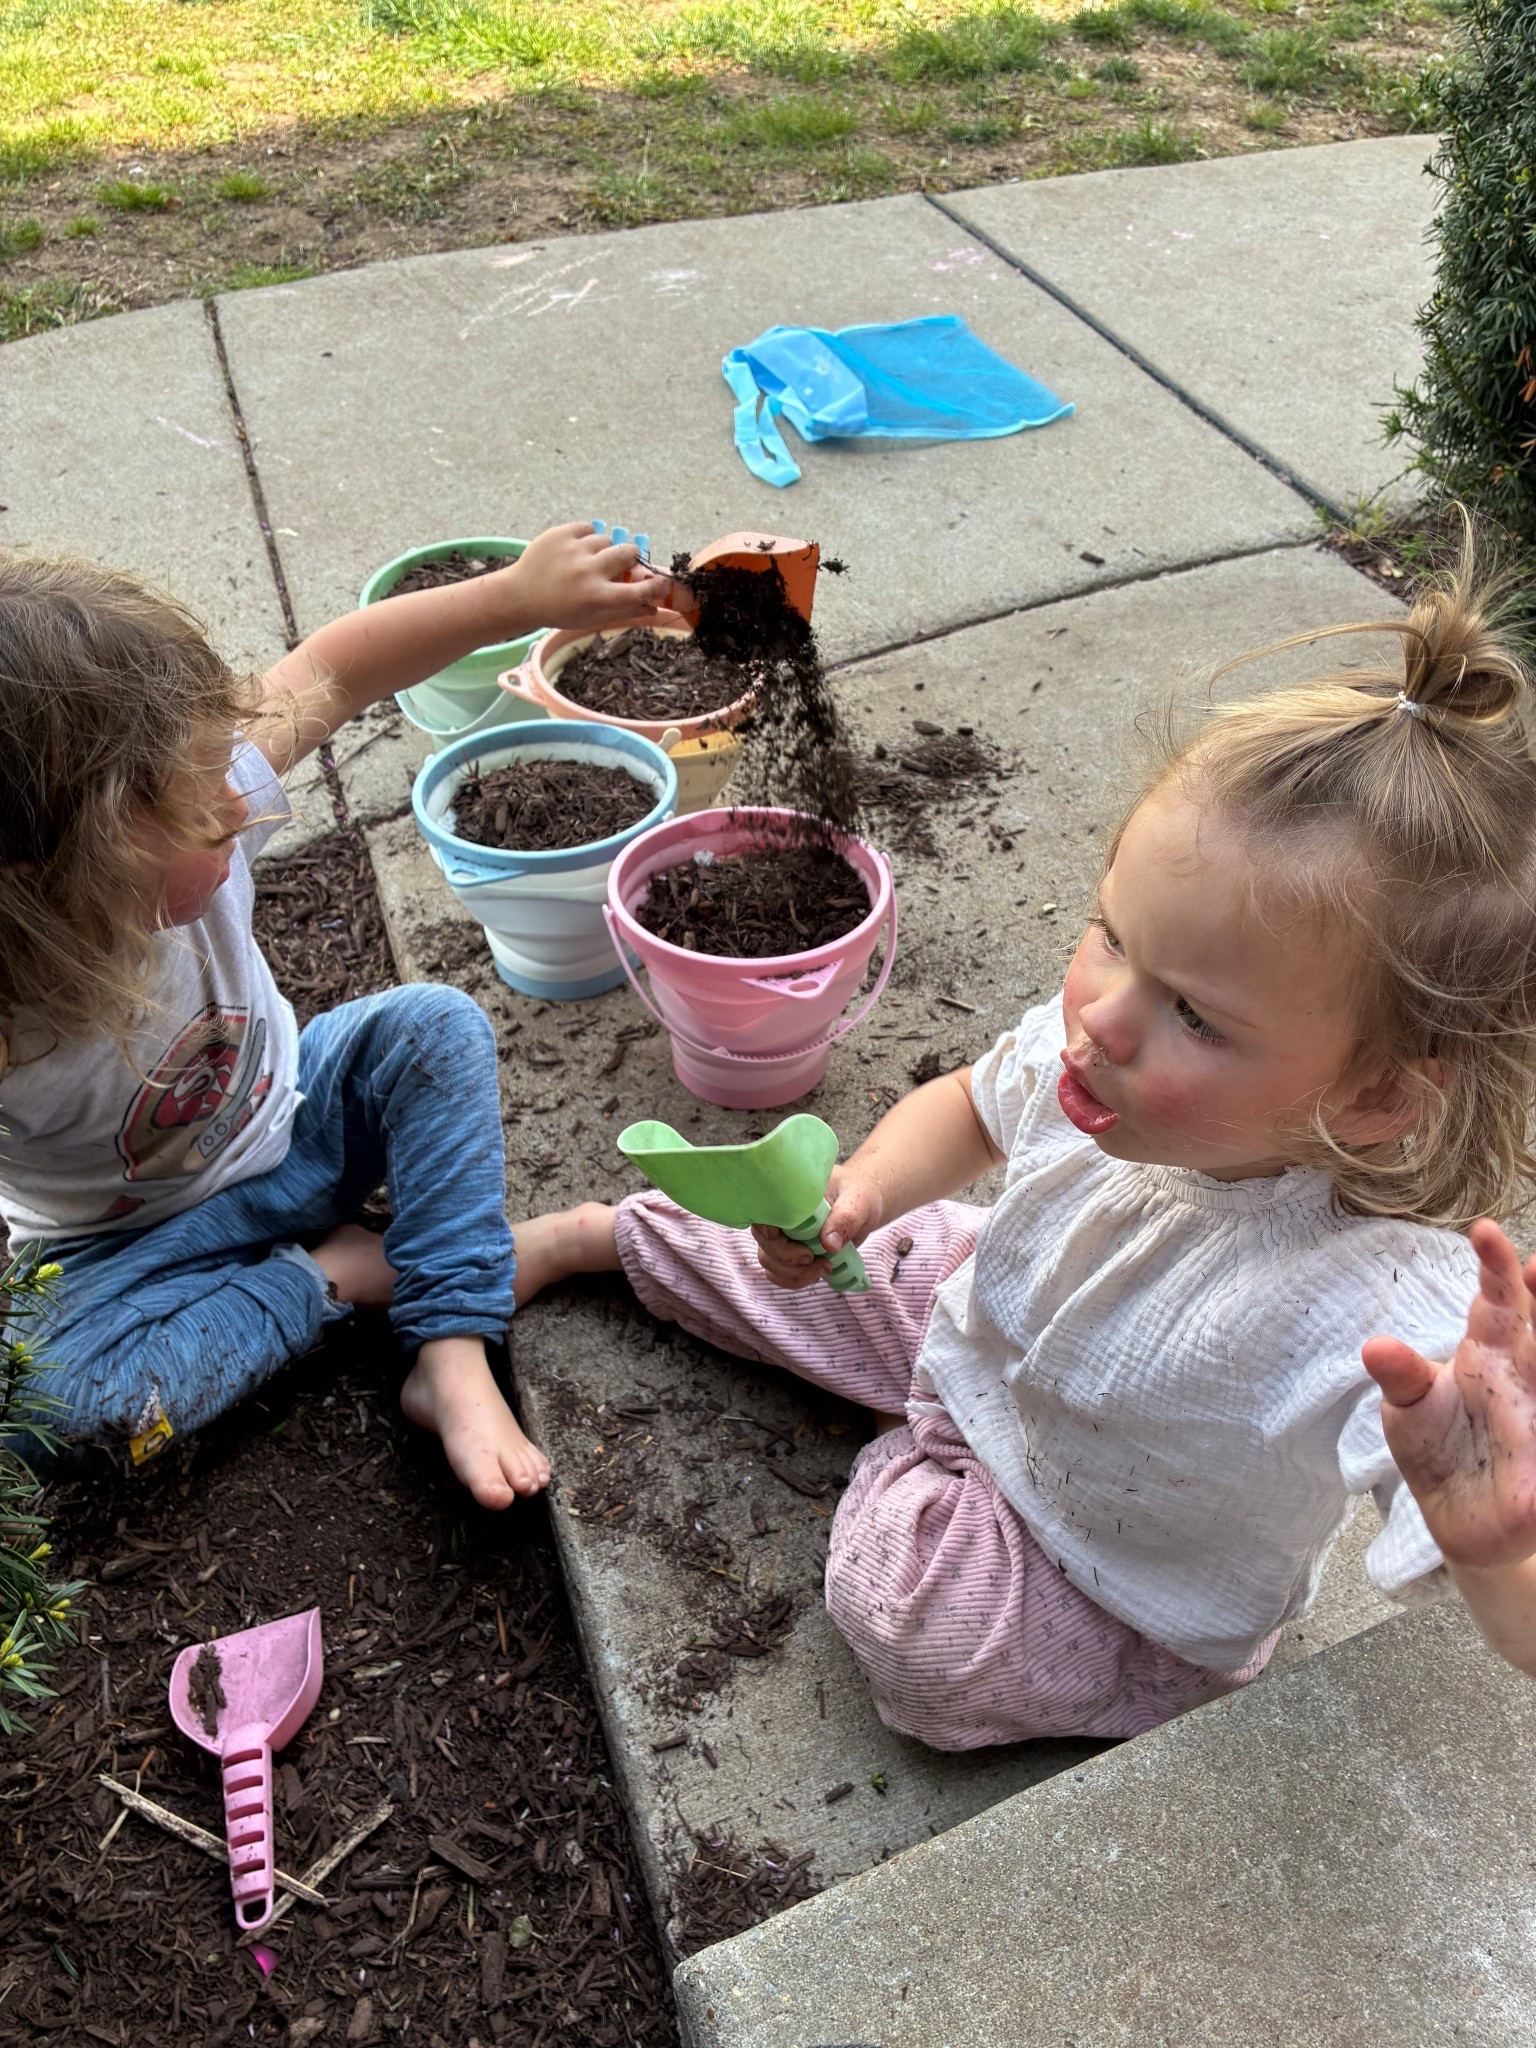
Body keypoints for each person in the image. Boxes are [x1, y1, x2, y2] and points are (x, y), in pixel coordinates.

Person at [512, 532, 1536, 1741]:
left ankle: (918, 1450)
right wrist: (864, 1190)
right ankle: (608, 1238)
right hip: (1001, 1318)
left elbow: (1503, 1583)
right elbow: (964, 1107)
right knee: (866, 1243)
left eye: (1197, 1013)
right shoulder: (1103, 1054)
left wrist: (1496, 1544)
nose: (1102, 1014)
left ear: (1374, 1095)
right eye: (1112, 934)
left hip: (1104, 1569)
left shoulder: (1378, 1303)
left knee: (916, 1631)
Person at [0, 525, 669, 1509]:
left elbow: (333, 669)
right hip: (119, 1246)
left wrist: (520, 597)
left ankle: (449, 1348)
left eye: (228, 778)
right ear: (73, 867)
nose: (243, 811)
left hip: (298, 1127)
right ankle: (338, 1280)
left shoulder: (200, 786)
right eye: (205, 816)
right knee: (51, 1422)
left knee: (434, 1026)